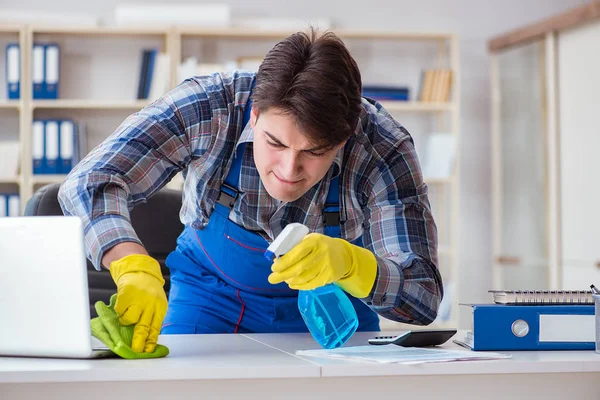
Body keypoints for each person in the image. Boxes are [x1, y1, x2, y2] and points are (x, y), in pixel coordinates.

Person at [58, 28, 443, 354]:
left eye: (315, 152)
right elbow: (90, 180)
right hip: (210, 296)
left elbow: (422, 299)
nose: (289, 170)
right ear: (254, 116)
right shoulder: (209, 107)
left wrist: (354, 265)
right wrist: (132, 266)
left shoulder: (381, 146)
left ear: (343, 139)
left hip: (334, 305)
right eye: (275, 143)